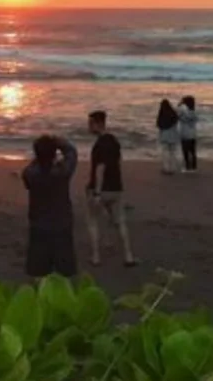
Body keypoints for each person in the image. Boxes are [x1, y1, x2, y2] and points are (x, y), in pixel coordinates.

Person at [22, 135, 79, 278]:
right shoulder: (62, 173)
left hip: (39, 225)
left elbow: (32, 168)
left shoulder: (30, 174)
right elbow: (72, 153)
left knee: (38, 271)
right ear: (54, 153)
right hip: (62, 224)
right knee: (65, 271)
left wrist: (41, 156)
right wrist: (60, 142)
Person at [84, 111, 136, 267]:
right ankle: (128, 256)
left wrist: (97, 192)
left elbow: (100, 168)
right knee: (120, 222)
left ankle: (96, 257)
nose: (88, 127)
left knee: (92, 221)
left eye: (90, 124)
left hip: (101, 188)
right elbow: (118, 161)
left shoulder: (99, 145)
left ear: (97, 124)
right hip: (116, 187)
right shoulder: (114, 141)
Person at [156, 99, 181, 174]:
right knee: (173, 152)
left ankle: (166, 168)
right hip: (173, 135)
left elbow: (159, 125)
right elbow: (176, 121)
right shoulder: (173, 113)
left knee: (165, 152)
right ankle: (172, 168)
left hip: (165, 135)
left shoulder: (161, 114)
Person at [177, 96, 199, 172]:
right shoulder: (194, 112)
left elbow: (177, 116)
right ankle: (194, 167)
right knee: (193, 151)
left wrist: (180, 105)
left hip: (185, 134)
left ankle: (187, 167)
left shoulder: (183, 111)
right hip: (193, 134)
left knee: (185, 151)